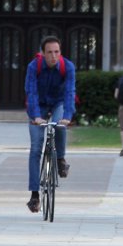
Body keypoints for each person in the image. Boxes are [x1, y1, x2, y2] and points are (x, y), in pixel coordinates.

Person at [25, 37, 76, 214]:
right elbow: (30, 92)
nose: (53, 56)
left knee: (60, 125)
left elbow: (70, 92)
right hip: (38, 105)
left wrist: (68, 116)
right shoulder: (34, 66)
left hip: (58, 103)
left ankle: (61, 159)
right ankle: (34, 195)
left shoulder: (67, 66)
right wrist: (36, 116)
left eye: (57, 52)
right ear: (43, 53)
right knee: (35, 149)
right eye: (49, 52)